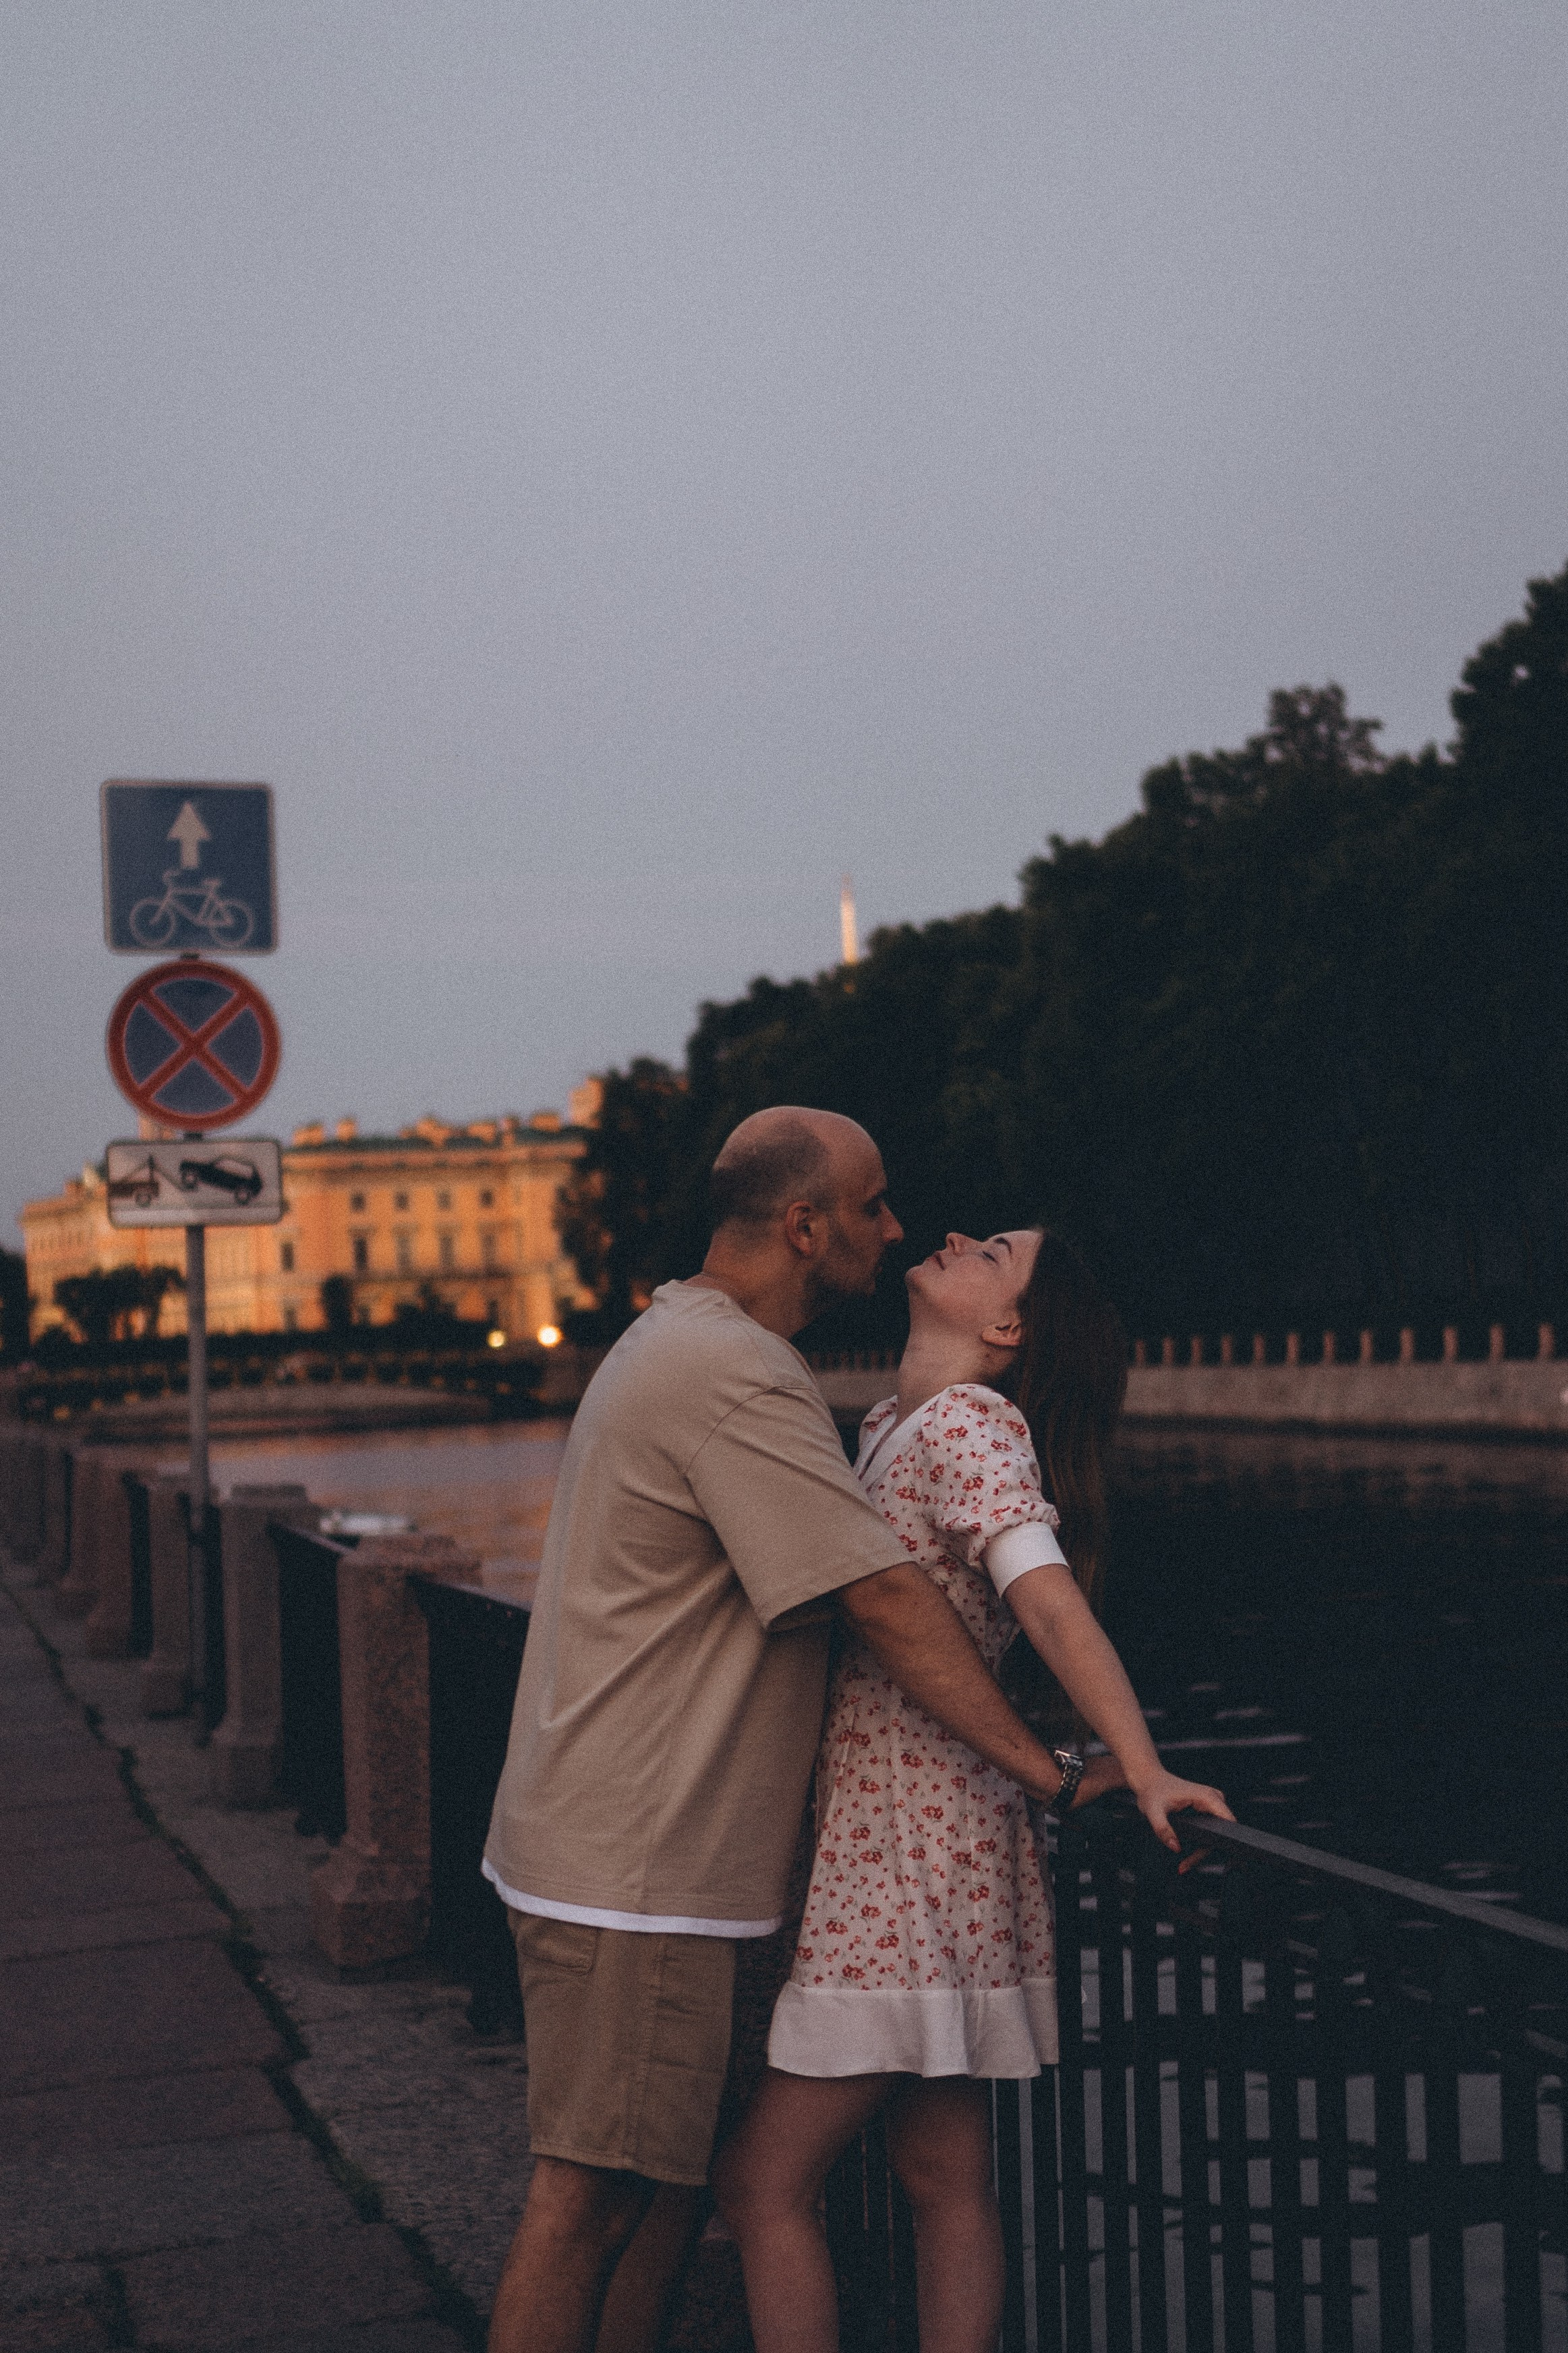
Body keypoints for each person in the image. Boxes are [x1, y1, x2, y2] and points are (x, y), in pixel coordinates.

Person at [482, 1115, 1093, 2353]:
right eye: (871, 1208)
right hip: (637, 1871)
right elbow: (880, 1597)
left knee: (653, 2200)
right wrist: (1053, 1772)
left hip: (647, 1858)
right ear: (804, 1226)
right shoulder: (735, 1373)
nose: (897, 1228)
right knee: (586, 2201)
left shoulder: (692, 1341)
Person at [716, 1226, 1233, 2353]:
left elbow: (1045, 1600)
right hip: (924, 1839)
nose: (956, 1237)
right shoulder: (893, 1427)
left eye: (993, 1251)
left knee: (765, 2186)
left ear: (1006, 1329)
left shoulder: (966, 1423)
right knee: (941, 2172)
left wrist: (1139, 1766)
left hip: (906, 1855)